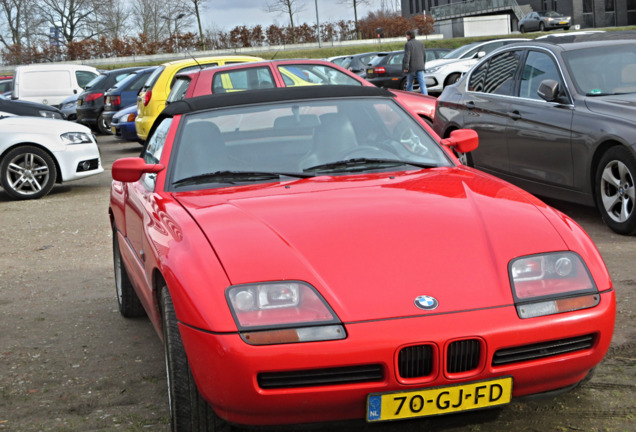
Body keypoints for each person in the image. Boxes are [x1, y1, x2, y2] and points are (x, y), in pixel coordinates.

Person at [402, 30, 428, 95]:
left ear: (409, 36)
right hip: (420, 67)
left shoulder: (408, 44)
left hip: (411, 68)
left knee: (409, 84)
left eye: (406, 35)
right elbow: (424, 55)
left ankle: (409, 97)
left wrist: (406, 67)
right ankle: (426, 97)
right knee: (422, 84)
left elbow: (407, 56)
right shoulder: (420, 43)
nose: (406, 37)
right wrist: (423, 65)